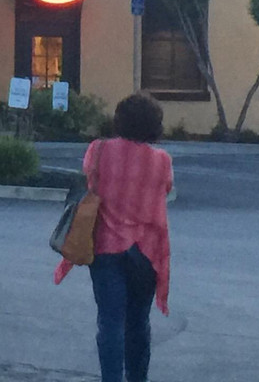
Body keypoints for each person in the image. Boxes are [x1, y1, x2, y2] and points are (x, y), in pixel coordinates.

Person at [69, 92, 173, 382]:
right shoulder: (162, 160)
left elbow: (89, 178)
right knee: (138, 322)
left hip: (107, 246)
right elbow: (166, 188)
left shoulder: (99, 150)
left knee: (110, 323)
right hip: (147, 251)